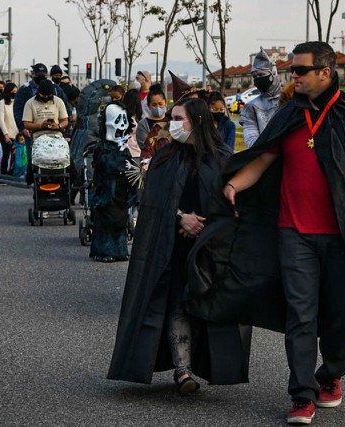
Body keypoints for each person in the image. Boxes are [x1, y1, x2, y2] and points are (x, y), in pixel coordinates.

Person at [220, 41, 345, 425]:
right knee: (301, 314)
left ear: (325, 73)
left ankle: (330, 375)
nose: (293, 77)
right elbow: (264, 158)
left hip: (340, 237)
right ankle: (302, 395)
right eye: (292, 71)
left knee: (336, 314)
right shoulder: (288, 115)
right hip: (293, 233)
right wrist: (235, 184)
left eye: (300, 70)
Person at [107, 97, 249, 394]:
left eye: (178, 118)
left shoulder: (222, 158)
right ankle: (183, 371)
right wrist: (181, 219)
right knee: (174, 304)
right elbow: (153, 205)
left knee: (206, 306)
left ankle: (200, 364)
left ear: (196, 121)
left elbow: (233, 205)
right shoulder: (164, 159)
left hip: (210, 249)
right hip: (171, 246)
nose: (172, 124)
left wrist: (206, 226)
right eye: (171, 117)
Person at [89, 103, 137, 263]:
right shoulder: (102, 148)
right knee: (107, 220)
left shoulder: (124, 148)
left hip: (121, 190)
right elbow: (104, 165)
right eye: (117, 120)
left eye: (124, 120)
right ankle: (103, 250)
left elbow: (129, 166)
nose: (122, 125)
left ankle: (120, 249)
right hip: (106, 191)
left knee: (120, 220)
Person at [240, 48, 282, 149]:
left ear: (273, 74)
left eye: (261, 75)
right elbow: (251, 138)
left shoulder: (289, 99)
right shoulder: (251, 107)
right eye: (255, 76)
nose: (258, 78)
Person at [0, 83, 19, 175]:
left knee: (16, 155)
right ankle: (3, 175)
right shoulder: (2, 103)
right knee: (6, 154)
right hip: (5, 132)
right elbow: (1, 120)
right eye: (13, 92)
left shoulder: (17, 102)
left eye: (16, 92)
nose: (14, 94)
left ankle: (13, 173)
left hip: (17, 132)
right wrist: (6, 134)